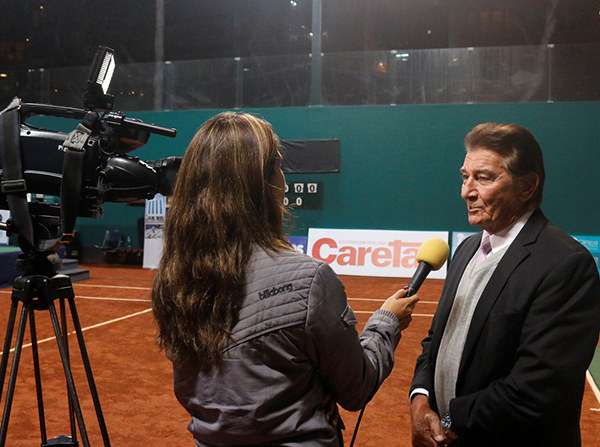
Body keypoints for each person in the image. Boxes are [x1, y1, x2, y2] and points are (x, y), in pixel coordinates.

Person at [151, 111, 419, 447]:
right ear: (262, 183)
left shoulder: (172, 279)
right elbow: (356, 388)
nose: (285, 181)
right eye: (278, 166)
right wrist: (387, 321)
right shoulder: (310, 279)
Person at [410, 122, 600, 447]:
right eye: (464, 176)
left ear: (527, 186)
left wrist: (448, 420)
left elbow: (538, 389)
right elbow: (437, 339)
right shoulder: (466, 249)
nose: (466, 191)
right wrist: (420, 398)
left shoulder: (566, 264)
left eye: (483, 178)